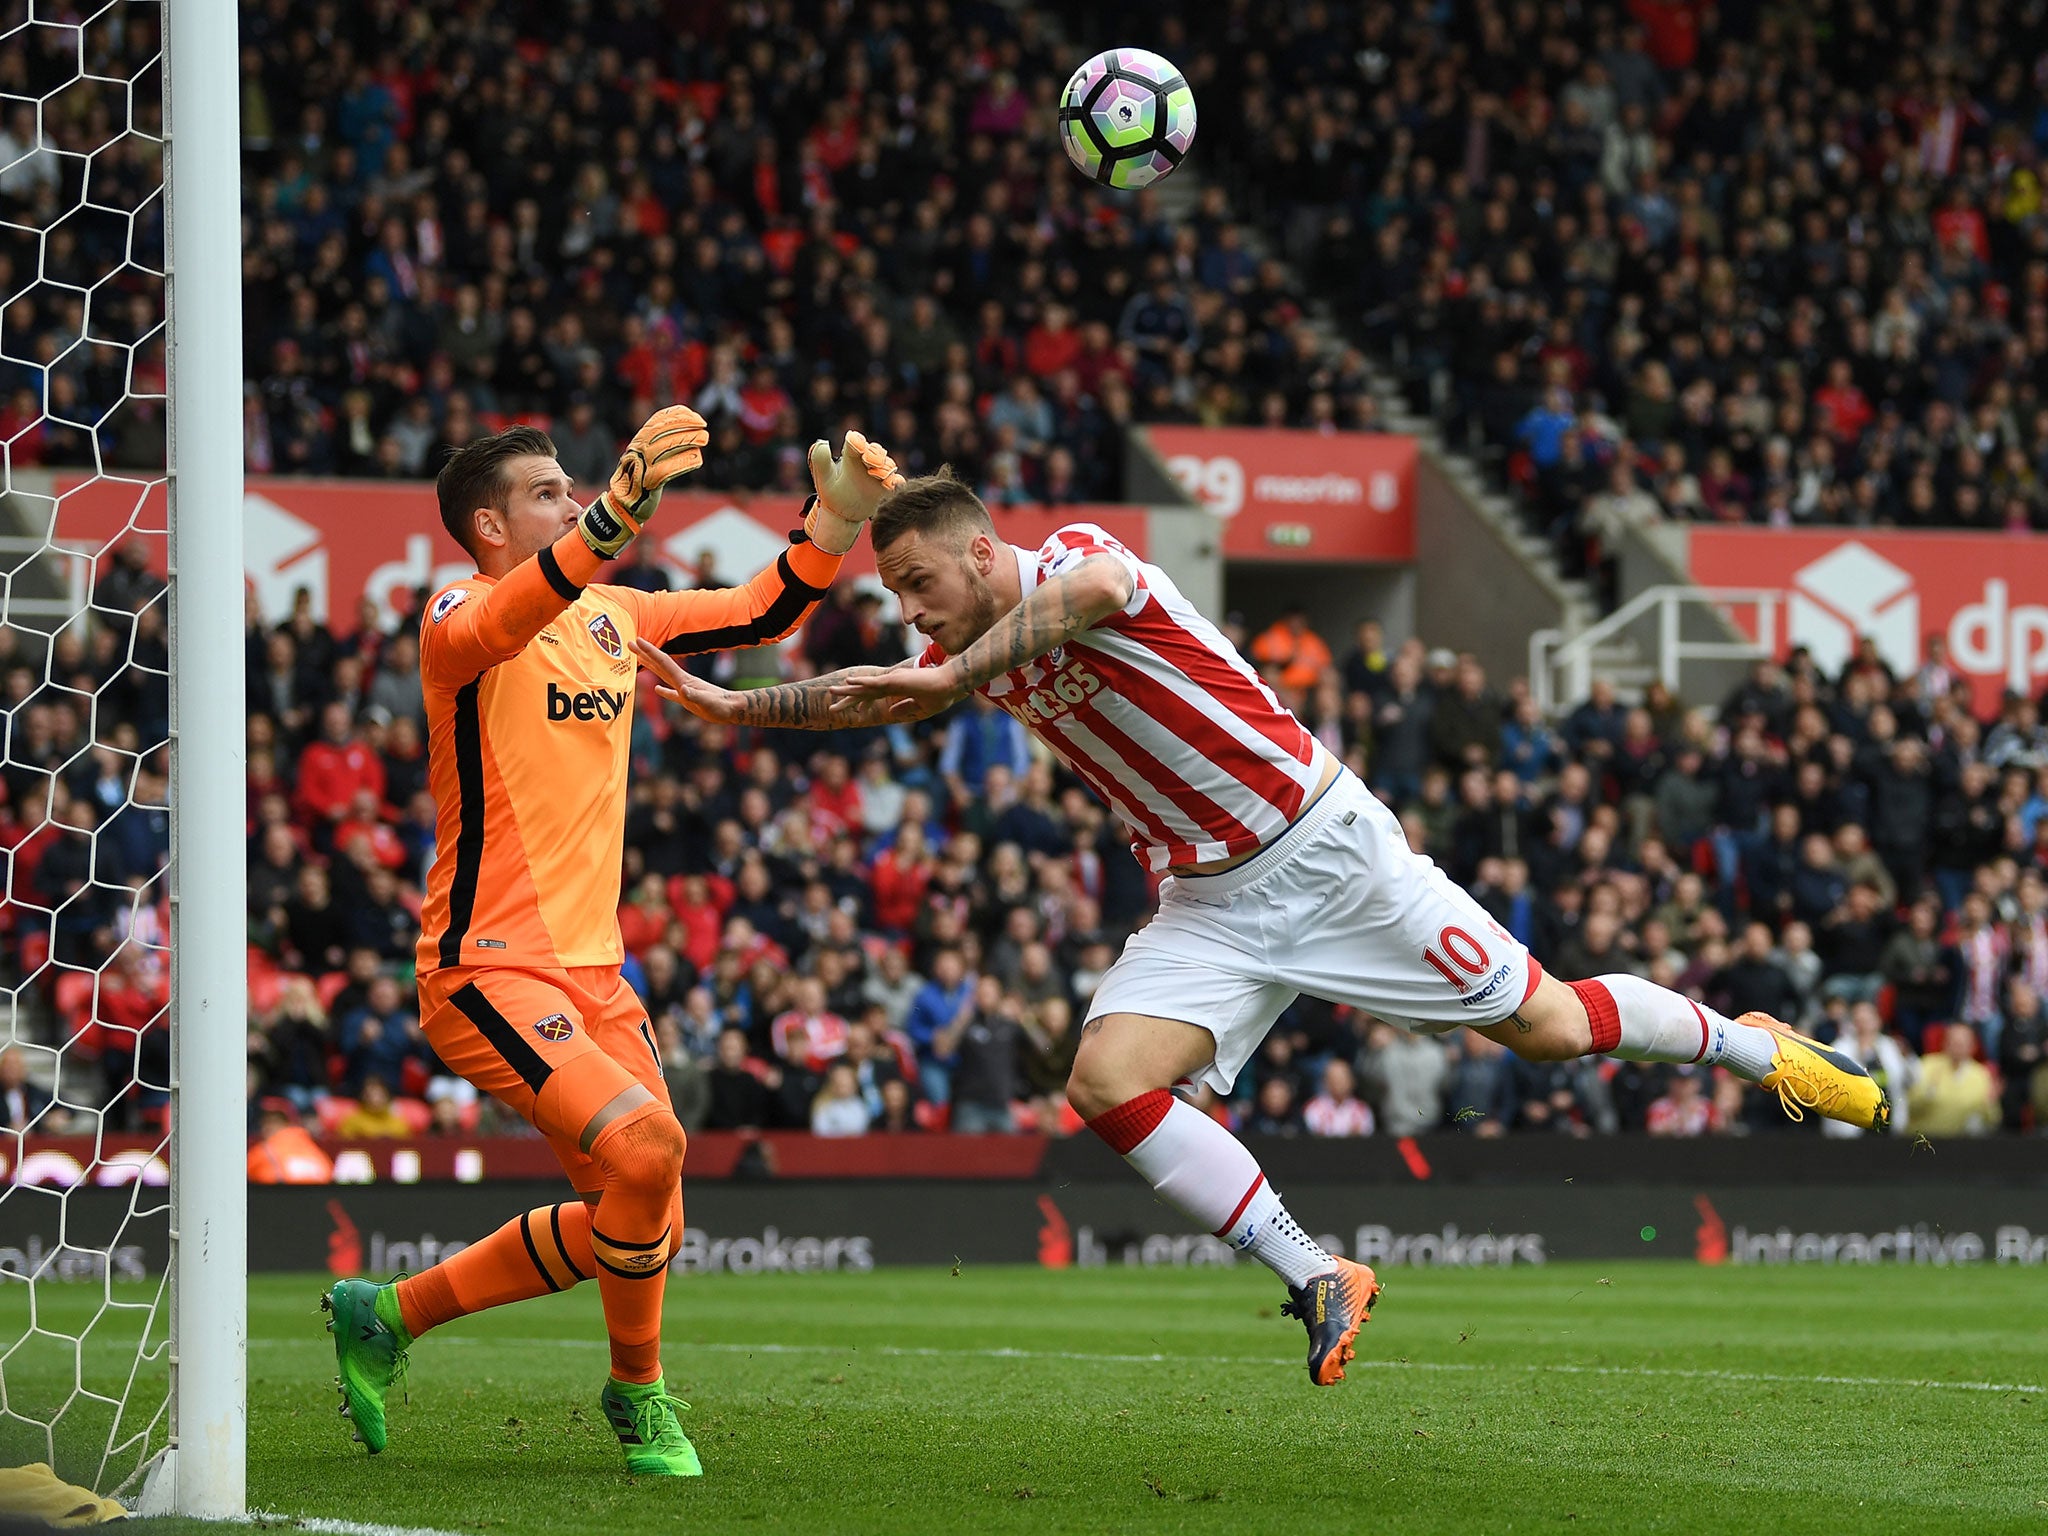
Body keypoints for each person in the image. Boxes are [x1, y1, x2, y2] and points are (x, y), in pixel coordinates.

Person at [634, 468, 1888, 1388]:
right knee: (1104, 1085)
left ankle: (1751, 1046)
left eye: (915, 584)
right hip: (1211, 908)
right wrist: (728, 708)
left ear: (977, 554)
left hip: (1332, 858)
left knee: (1551, 1030)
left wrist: (950, 673)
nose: (908, 612)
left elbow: (1096, 591)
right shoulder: (969, 640)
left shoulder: (1071, 564)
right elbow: (872, 700)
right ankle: (1316, 1273)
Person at [322, 414, 902, 1477]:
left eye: (573, 485)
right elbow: (506, 616)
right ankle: (636, 1396)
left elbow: (756, 608)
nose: (572, 494)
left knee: (645, 1216)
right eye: (547, 491)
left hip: (594, 972)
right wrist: (611, 516)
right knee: (646, 1149)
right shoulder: (457, 614)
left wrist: (834, 525)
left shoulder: (613, 614)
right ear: (489, 525)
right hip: (484, 965)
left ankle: (389, 1313)